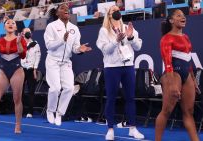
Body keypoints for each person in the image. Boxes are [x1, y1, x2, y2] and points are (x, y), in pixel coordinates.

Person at [96, 5, 144, 140]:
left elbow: (138, 46)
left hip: (128, 65)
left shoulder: (128, 27)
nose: (117, 12)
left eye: (118, 10)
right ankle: (110, 129)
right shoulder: (104, 31)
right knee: (111, 98)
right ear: (109, 15)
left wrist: (130, 37)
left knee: (130, 98)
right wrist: (115, 41)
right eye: (114, 10)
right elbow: (106, 50)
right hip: (112, 67)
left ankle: (133, 128)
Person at [155, 9, 200, 141]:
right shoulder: (166, 38)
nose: (183, 17)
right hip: (172, 74)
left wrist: (193, 79)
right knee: (166, 111)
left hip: (186, 74)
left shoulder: (186, 37)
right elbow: (167, 63)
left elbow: (188, 59)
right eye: (178, 15)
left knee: (189, 112)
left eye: (183, 15)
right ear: (171, 20)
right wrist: (172, 83)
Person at [44, 3, 91, 126]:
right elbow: (49, 46)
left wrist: (80, 49)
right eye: (62, 8)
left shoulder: (74, 28)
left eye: (67, 8)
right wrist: (61, 40)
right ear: (57, 13)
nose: (66, 10)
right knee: (55, 88)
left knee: (70, 88)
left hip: (66, 62)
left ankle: (59, 113)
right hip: (53, 60)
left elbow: (74, 47)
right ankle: (50, 111)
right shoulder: (51, 26)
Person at [21, 27, 41, 118]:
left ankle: (30, 111)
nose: (28, 33)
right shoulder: (19, 44)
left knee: (31, 91)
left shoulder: (35, 44)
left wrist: (35, 69)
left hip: (30, 69)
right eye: (26, 32)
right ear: (22, 34)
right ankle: (20, 110)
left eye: (29, 32)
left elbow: (38, 57)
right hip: (21, 69)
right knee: (20, 90)